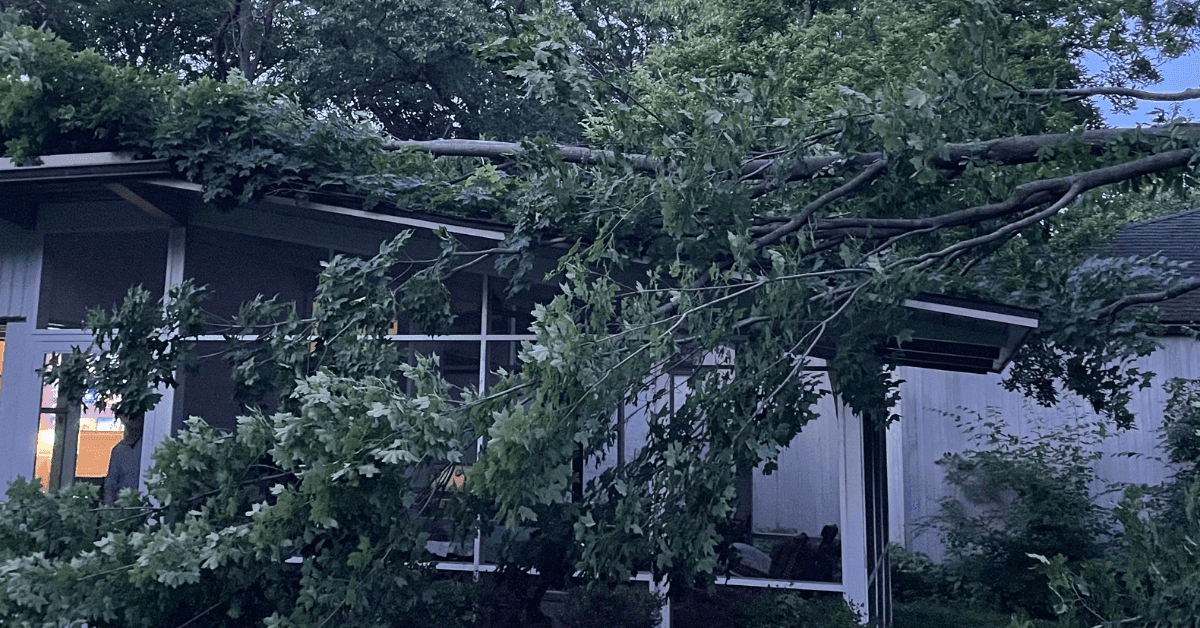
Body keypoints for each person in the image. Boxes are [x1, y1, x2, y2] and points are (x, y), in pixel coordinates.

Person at [103, 412, 143, 506]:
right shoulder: (118, 450)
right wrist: (109, 511)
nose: (132, 421)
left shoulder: (148, 445)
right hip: (123, 508)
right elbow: (111, 485)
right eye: (129, 417)